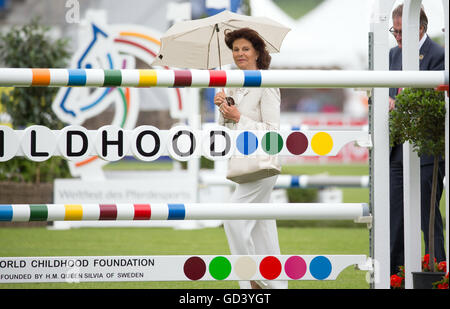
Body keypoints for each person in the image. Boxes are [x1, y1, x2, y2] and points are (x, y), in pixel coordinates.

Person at [213, 27, 287, 289]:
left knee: (233, 220)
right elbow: (228, 132)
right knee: (262, 229)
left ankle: (254, 282)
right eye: (235, 49)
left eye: (245, 48)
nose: (240, 53)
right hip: (242, 164)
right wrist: (223, 110)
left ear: (257, 51)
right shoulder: (232, 83)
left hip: (261, 164)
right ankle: (275, 284)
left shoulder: (266, 82)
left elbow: (272, 133)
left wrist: (238, 117)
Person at [388, 4, 446, 276]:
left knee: (428, 218)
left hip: (426, 151)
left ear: (419, 28)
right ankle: (395, 275)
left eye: (401, 32)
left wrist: (396, 103)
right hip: (397, 150)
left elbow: (436, 101)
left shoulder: (439, 55)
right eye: (394, 31)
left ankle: (437, 272)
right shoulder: (391, 54)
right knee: (395, 219)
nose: (397, 37)